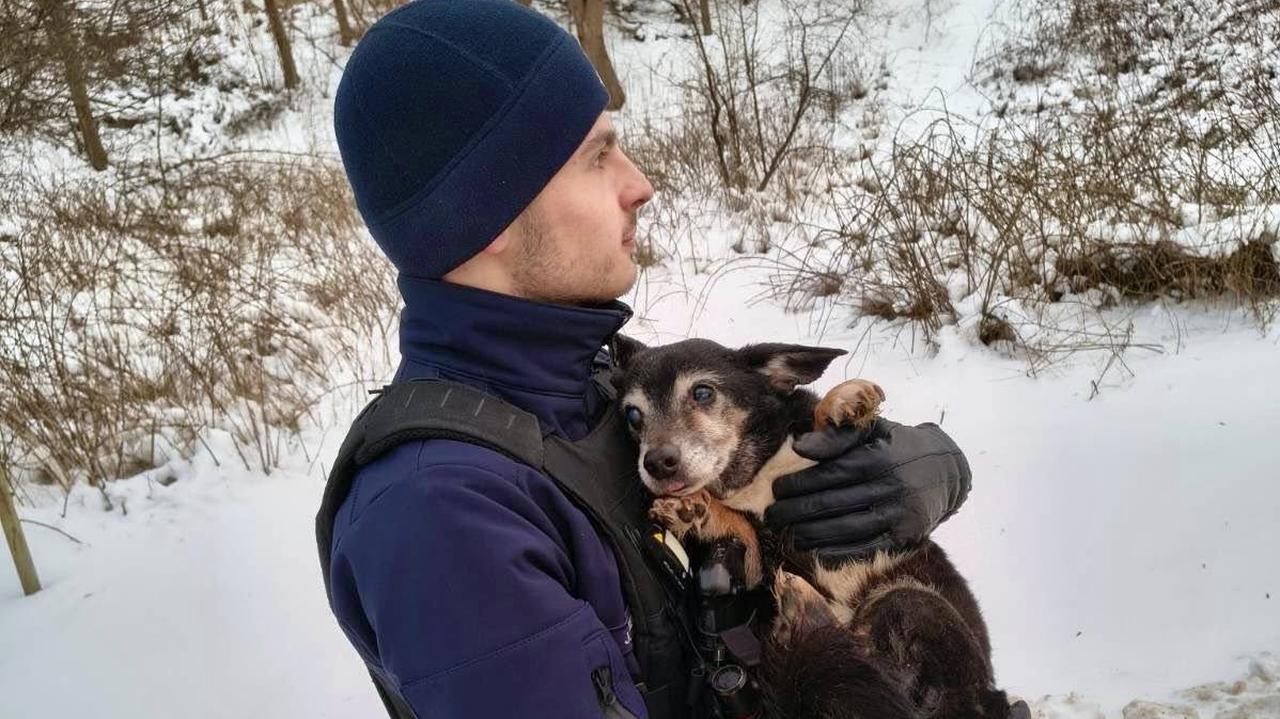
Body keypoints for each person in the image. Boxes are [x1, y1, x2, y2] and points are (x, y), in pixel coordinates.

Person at [319, 1, 973, 717]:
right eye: (596, 156)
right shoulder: (442, 518)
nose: (640, 184)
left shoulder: (586, 389)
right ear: (488, 212)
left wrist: (916, 473)